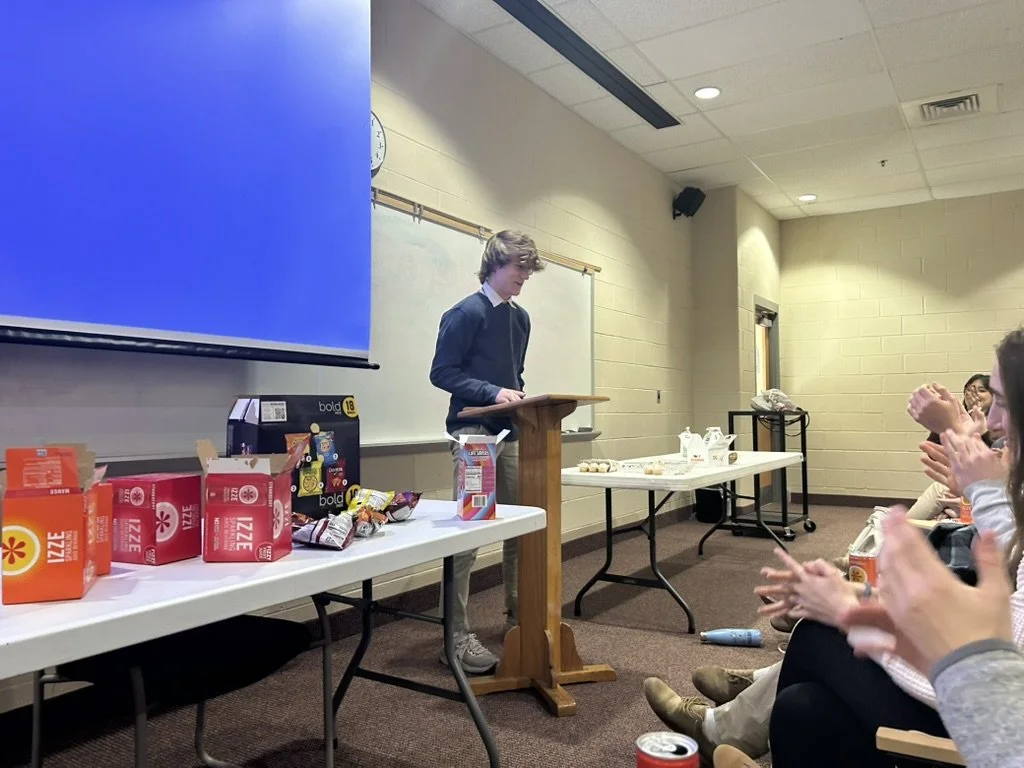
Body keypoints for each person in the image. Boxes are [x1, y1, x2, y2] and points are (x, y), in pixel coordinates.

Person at [644, 329, 1023, 763]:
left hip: (985, 727)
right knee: (800, 707)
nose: (992, 421)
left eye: (1002, 402)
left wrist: (855, 609)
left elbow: (996, 672)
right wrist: (976, 483)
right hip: (983, 701)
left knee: (820, 633)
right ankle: (748, 703)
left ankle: (724, 724)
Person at [429, 229, 544, 675]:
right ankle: (454, 638)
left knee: (520, 528)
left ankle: (520, 620)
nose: (525, 276)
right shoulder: (465, 313)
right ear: (495, 264)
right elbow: (442, 372)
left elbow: (515, 375)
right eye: (519, 267)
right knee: (469, 537)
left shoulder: (521, 319)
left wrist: (517, 399)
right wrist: (492, 392)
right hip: (472, 434)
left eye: (529, 269)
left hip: (509, 433)